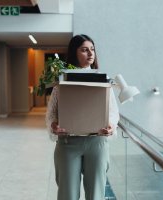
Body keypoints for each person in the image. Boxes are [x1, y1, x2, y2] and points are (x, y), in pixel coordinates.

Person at [46, 34, 120, 200]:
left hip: (97, 143)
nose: (90, 53)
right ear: (75, 53)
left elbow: (113, 112)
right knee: (68, 195)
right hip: (68, 143)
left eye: (92, 49)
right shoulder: (62, 81)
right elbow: (51, 113)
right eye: (85, 50)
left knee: (96, 195)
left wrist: (112, 126)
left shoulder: (103, 80)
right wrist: (53, 125)